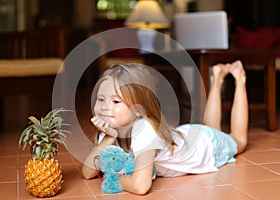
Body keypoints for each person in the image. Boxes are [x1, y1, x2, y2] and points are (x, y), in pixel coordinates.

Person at [81, 60, 248, 195]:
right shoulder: (112, 126)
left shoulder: (144, 130)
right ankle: (217, 79)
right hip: (187, 134)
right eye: (101, 99)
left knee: (238, 140)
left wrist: (113, 179)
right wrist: (108, 138)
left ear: (139, 109)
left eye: (116, 101)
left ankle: (239, 78)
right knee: (211, 127)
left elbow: (140, 186)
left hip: (206, 146)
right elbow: (87, 172)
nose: (104, 107)